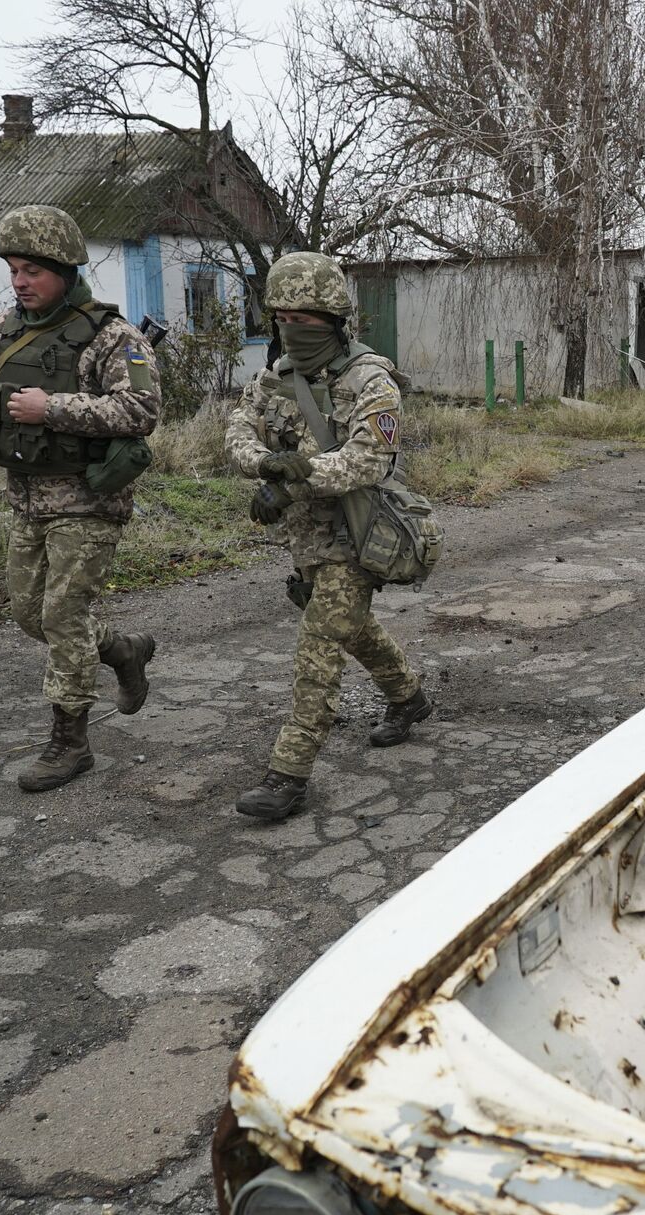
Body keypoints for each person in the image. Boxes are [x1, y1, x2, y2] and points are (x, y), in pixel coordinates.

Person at [0, 204, 161, 792]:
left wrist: (51, 407)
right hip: (26, 497)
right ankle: (122, 651)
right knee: (30, 615)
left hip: (89, 501)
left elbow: (141, 410)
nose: (19, 281)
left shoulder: (115, 337)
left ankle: (70, 742)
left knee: (62, 616)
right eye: (13, 269)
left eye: (32, 269)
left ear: (65, 268)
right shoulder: (6, 332)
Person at [225, 251, 432, 821]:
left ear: (334, 318)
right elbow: (239, 427)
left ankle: (287, 775)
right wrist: (266, 466)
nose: (292, 327)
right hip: (308, 541)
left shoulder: (371, 380)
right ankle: (408, 697)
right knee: (353, 629)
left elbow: (369, 460)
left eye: (305, 317)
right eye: (282, 316)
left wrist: (294, 480)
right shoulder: (277, 375)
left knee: (317, 650)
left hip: (360, 536)